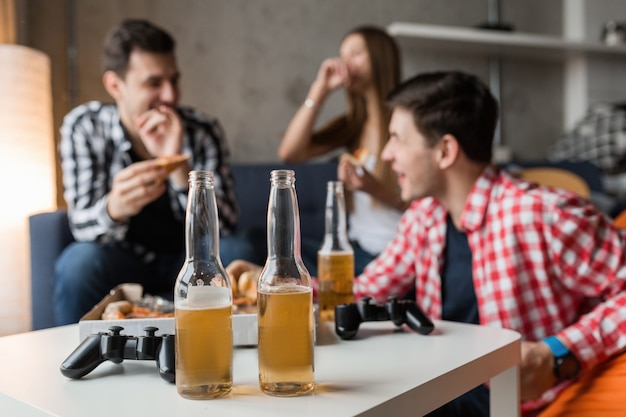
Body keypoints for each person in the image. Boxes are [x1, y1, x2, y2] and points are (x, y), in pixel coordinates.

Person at [358, 70, 626, 416]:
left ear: (445, 151)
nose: (387, 154)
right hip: (438, 388)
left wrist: (559, 354)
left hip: (511, 402)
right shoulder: (423, 217)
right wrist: (282, 283)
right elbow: (367, 290)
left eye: (397, 139)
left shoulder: (545, 215)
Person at [55, 19, 253, 325]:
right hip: (122, 260)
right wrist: (114, 208)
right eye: (154, 83)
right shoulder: (85, 127)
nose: (171, 96)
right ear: (115, 86)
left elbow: (226, 226)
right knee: (78, 262)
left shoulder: (202, 131)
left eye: (174, 80)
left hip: (188, 260)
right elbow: (81, 225)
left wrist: (179, 170)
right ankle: (77, 359)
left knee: (236, 248)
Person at [278, 25, 407, 276]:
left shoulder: (406, 124)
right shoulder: (353, 126)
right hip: (354, 251)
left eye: (356, 53)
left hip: (390, 255)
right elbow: (290, 153)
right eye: (343, 55)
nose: (346, 63)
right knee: (267, 243)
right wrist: (320, 89)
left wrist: (374, 188)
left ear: (381, 58)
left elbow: (424, 207)